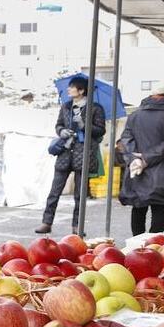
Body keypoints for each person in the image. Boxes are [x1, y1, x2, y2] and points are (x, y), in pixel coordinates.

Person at [36, 76, 106, 235]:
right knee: (54, 191)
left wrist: (84, 124)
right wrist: (62, 131)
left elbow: (100, 131)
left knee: (80, 195)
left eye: (72, 87)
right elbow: (58, 124)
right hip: (65, 153)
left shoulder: (95, 108)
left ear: (81, 90)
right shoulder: (66, 107)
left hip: (84, 153)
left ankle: (77, 226)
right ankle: (46, 222)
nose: (68, 90)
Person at [119, 82, 164, 235]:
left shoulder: (135, 114)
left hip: (136, 170)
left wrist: (135, 159)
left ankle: (136, 249)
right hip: (163, 171)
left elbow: (125, 139)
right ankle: (152, 248)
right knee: (160, 208)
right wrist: (146, 158)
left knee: (138, 208)